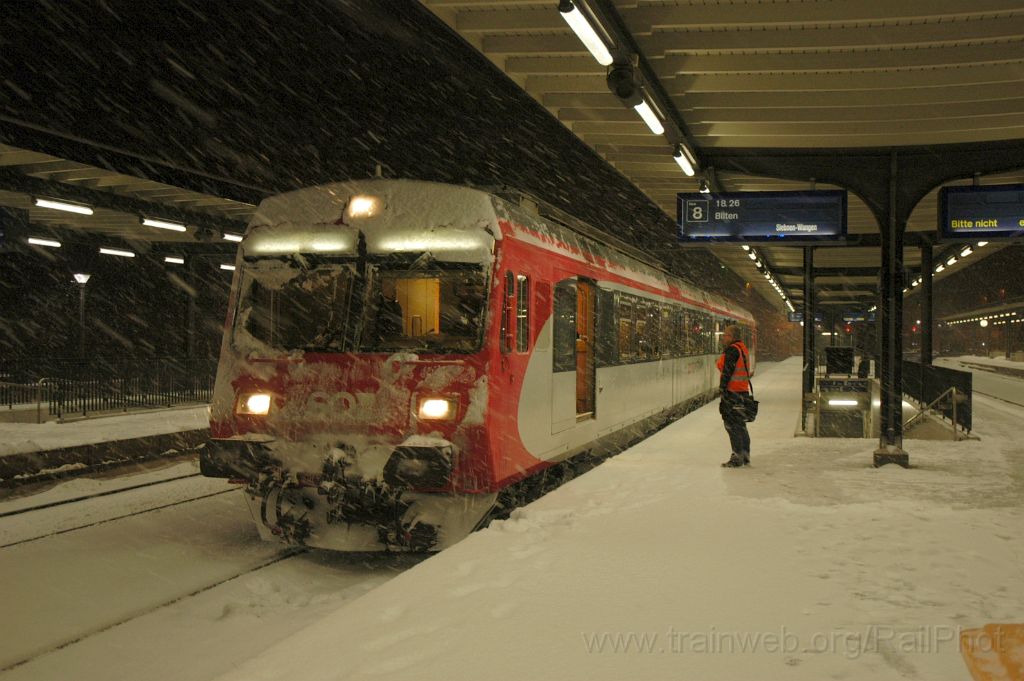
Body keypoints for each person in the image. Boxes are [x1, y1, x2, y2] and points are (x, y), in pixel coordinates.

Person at [717, 324, 752, 467]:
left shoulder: (732, 350)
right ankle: (745, 454)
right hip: (742, 392)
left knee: (732, 426)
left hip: (732, 393)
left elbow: (727, 372)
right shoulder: (742, 348)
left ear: (731, 337)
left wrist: (723, 389)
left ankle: (737, 457)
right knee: (741, 425)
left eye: (725, 335)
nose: (723, 337)